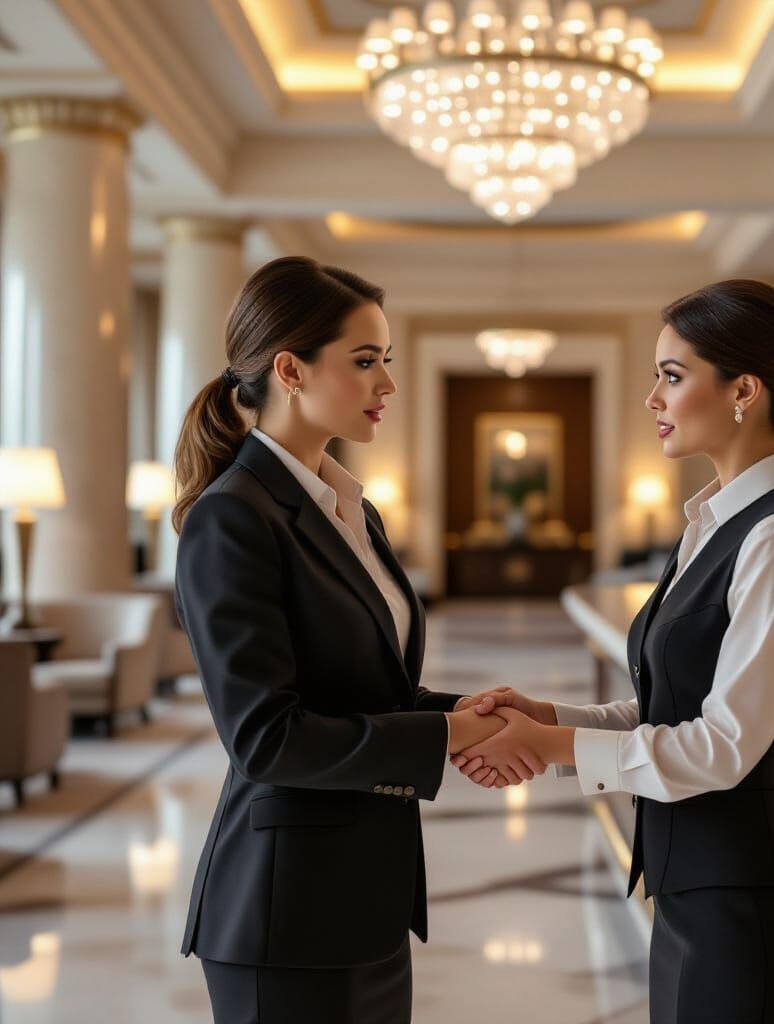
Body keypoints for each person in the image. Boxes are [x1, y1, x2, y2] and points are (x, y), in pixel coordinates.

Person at [453, 279, 774, 1024]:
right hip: (695, 894)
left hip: (747, 907)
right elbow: (674, 705)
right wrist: (550, 720)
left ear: (744, 390)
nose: (652, 399)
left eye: (672, 375)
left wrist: (550, 743)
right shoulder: (710, 522)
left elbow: (725, 747)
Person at [172, 256, 514, 1024]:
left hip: (368, 901)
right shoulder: (233, 518)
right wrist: (448, 733)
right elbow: (265, 739)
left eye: (386, 361)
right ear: (289, 369)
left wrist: (476, 712)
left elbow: (371, 693)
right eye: (366, 362)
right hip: (285, 912)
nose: (387, 384)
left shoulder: (353, 510)